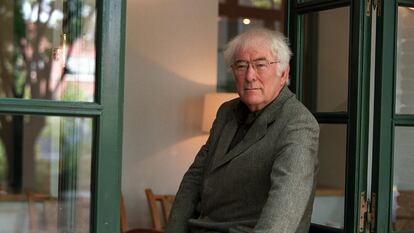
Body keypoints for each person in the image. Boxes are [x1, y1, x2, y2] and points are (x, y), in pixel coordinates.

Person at [165, 28, 319, 233]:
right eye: (241, 65)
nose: (250, 76)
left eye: (260, 65)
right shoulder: (226, 112)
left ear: (283, 73)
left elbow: (283, 215)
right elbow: (194, 179)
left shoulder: (298, 124)